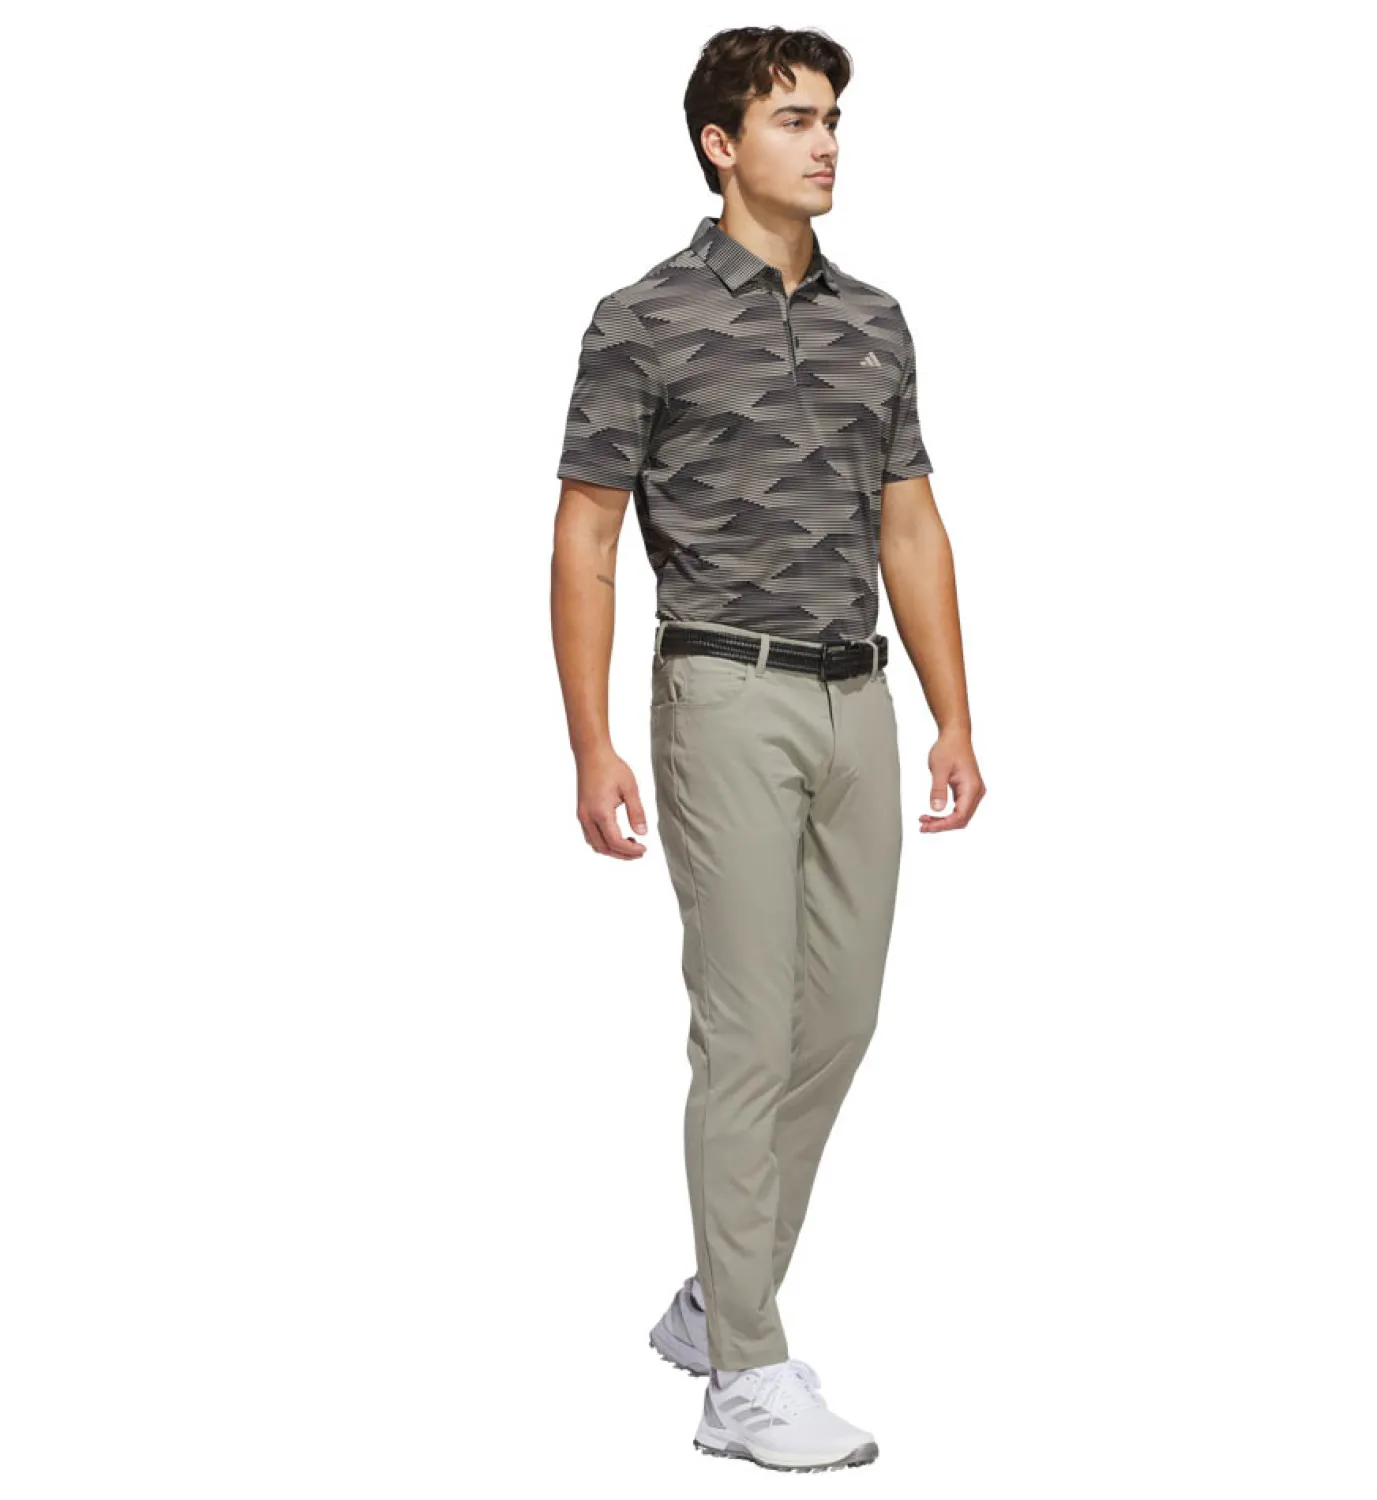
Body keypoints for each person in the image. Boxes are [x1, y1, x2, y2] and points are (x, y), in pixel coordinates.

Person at [550, 25, 985, 1473]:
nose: (827, 141)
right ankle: (745, 1372)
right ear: (720, 146)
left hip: (860, 699)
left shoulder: (877, 322)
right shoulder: (643, 318)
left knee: (839, 1021)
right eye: (795, 118)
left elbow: (909, 522)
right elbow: (587, 538)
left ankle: (713, 1296)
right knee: (744, 1033)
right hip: (722, 693)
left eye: (834, 116)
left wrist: (955, 714)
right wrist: (591, 743)